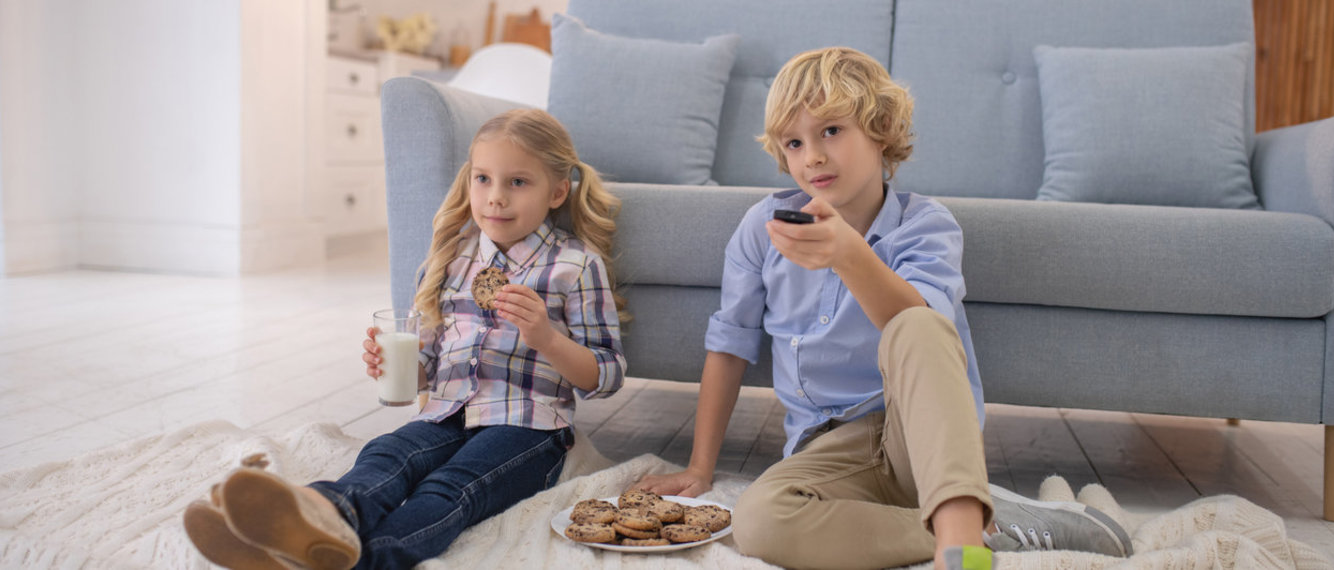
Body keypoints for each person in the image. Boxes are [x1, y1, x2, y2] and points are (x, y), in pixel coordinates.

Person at [631, 47, 1132, 570]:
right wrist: (699, 465)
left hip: (914, 441)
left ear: (883, 128)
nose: (813, 157)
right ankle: (994, 531)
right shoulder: (763, 229)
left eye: (831, 131)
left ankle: (960, 545)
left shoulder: (926, 226)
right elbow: (731, 343)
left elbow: (920, 330)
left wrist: (849, 255)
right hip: (824, 455)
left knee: (918, 322)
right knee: (757, 521)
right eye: (794, 142)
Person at [184, 108, 627, 570]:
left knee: (451, 487)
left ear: (557, 192)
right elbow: (430, 368)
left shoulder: (574, 265)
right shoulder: (454, 260)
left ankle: (365, 562)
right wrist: (397, 365)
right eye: (482, 179)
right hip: (447, 411)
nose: (494, 198)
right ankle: (316, 518)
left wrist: (547, 338)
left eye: (517, 182)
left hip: (529, 427)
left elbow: (608, 375)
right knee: (387, 454)